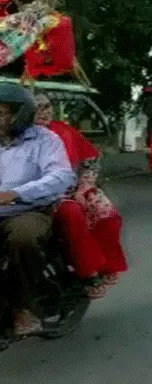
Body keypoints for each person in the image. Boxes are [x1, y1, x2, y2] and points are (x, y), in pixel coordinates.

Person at [33, 93, 128, 299]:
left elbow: (90, 158)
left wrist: (85, 187)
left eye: (47, 106)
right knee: (72, 213)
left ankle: (100, 269)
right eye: (38, 108)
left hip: (72, 189)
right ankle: (89, 268)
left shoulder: (63, 130)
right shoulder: (21, 135)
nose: (44, 111)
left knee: (103, 210)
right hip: (41, 195)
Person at [0, 83, 76, 336]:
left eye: (1, 113)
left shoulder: (45, 139)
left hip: (28, 211)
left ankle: (23, 308)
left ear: (19, 113)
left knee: (23, 237)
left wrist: (17, 193)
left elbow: (61, 176)